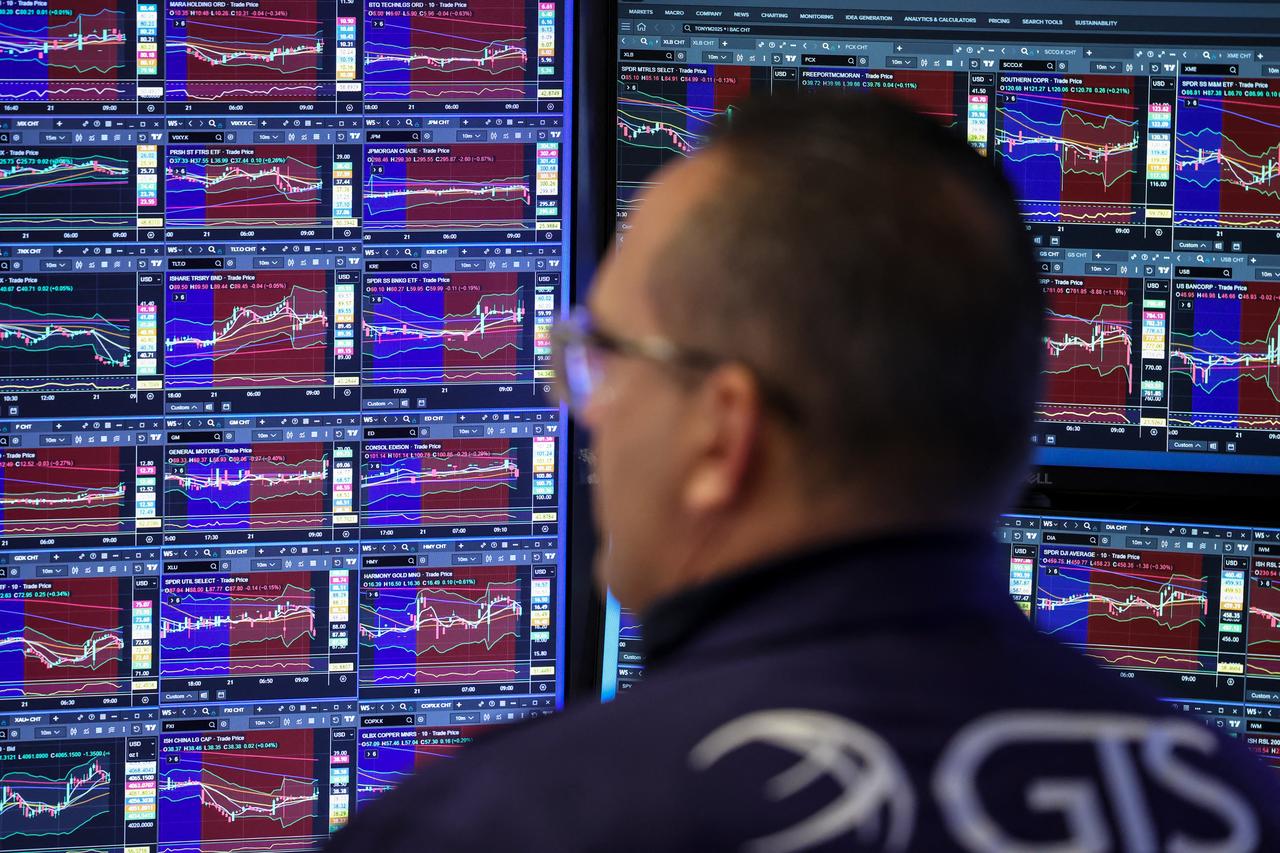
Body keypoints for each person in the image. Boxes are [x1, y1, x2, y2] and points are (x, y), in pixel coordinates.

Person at [326, 94, 1280, 852]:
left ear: (723, 431)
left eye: (603, 359)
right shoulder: (1234, 799)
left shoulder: (504, 821)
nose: (583, 410)